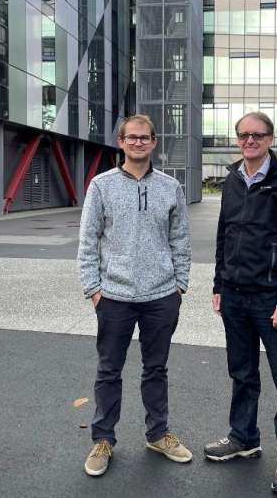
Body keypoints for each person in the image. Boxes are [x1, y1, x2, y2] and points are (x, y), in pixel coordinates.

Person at [77, 114, 192, 477]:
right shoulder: (101, 186)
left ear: (154, 142)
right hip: (114, 297)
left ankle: (158, 434)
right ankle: (103, 439)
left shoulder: (170, 187)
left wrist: (180, 285)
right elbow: (88, 241)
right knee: (109, 370)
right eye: (132, 137)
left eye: (145, 138)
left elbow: (181, 239)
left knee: (156, 369)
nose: (138, 143)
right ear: (121, 142)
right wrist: (94, 290)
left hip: (162, 296)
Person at [204, 111, 277, 495]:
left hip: (272, 300)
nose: (250, 140)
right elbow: (224, 234)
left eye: (258, 135)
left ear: (270, 139)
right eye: (244, 135)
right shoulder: (233, 180)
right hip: (234, 296)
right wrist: (218, 284)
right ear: (237, 139)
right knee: (242, 373)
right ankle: (244, 437)